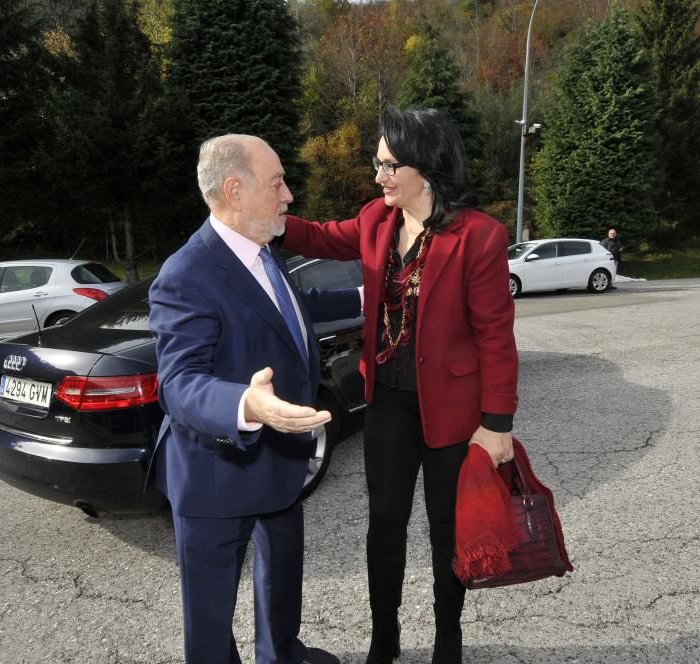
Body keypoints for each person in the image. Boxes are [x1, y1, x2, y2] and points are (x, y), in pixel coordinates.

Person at [279, 107, 519, 664]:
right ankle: (383, 638)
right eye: (377, 162)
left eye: (390, 164)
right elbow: (318, 236)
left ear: (427, 168)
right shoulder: (375, 220)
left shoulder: (479, 236)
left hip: (454, 413)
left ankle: (447, 641)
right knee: (384, 525)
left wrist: (497, 424)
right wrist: (262, 214)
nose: (379, 175)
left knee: (446, 533)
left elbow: (495, 338)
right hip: (385, 402)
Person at [148, 134, 360, 664]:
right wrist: (246, 404)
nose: (288, 195)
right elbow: (180, 383)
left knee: (282, 582)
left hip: (281, 465)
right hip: (215, 475)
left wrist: (373, 294)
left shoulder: (266, 253)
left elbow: (296, 307)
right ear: (235, 190)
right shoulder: (185, 273)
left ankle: (282, 655)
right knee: (211, 618)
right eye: (278, 183)